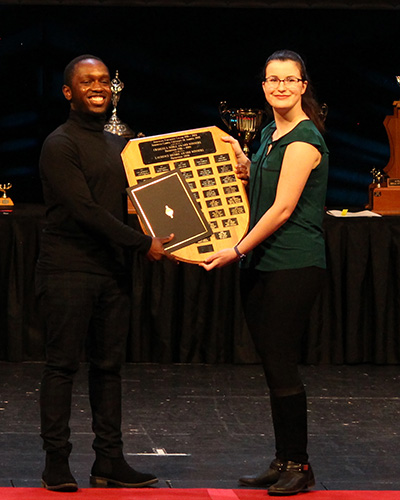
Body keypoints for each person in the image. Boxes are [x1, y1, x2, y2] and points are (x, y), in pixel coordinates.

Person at [35, 54, 174, 492]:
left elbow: (154, 191)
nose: (98, 87)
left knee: (108, 368)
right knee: (61, 367)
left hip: (112, 274)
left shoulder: (121, 147)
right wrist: (141, 244)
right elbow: (86, 211)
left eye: (103, 81)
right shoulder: (60, 144)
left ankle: (109, 461)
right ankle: (56, 463)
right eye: (87, 81)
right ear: (68, 92)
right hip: (68, 270)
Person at [201, 49, 328, 496]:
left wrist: (236, 250)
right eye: (273, 80)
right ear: (263, 86)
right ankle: (283, 459)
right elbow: (260, 188)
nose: (281, 87)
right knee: (273, 366)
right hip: (263, 261)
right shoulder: (272, 132)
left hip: (293, 263)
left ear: (303, 86)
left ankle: (301, 465)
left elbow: (282, 208)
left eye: (289, 80)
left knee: (281, 362)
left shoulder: (303, 140)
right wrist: (240, 159)